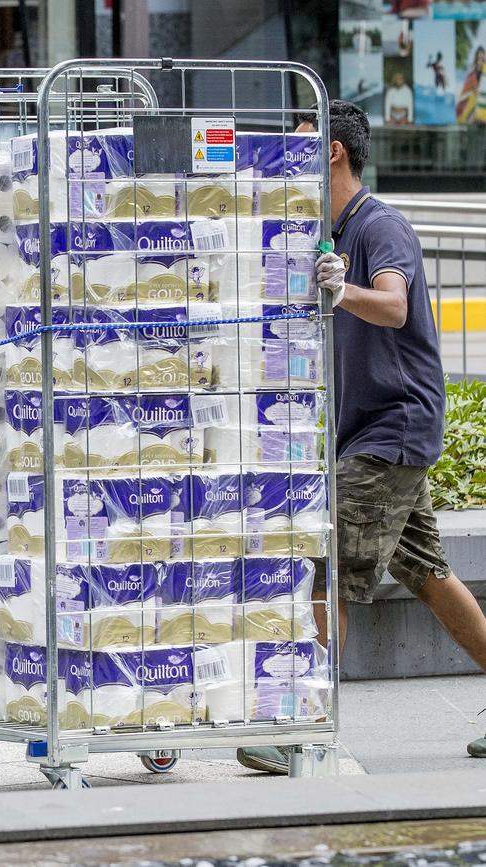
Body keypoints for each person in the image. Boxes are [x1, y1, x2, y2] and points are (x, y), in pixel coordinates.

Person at [237, 99, 486, 776]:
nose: (293, 157)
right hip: (375, 430)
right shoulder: (330, 230)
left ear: (333, 151)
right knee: (429, 574)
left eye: (301, 144)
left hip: (392, 427)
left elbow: (394, 304)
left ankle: (309, 729)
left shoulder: (381, 226)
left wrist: (342, 290)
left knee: (326, 568)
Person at [457, 46, 485, 124]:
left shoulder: (485, 72)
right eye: (479, 58)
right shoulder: (472, 73)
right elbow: (466, 90)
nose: (480, 61)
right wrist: (473, 91)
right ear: (476, 59)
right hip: (471, 100)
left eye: (482, 59)